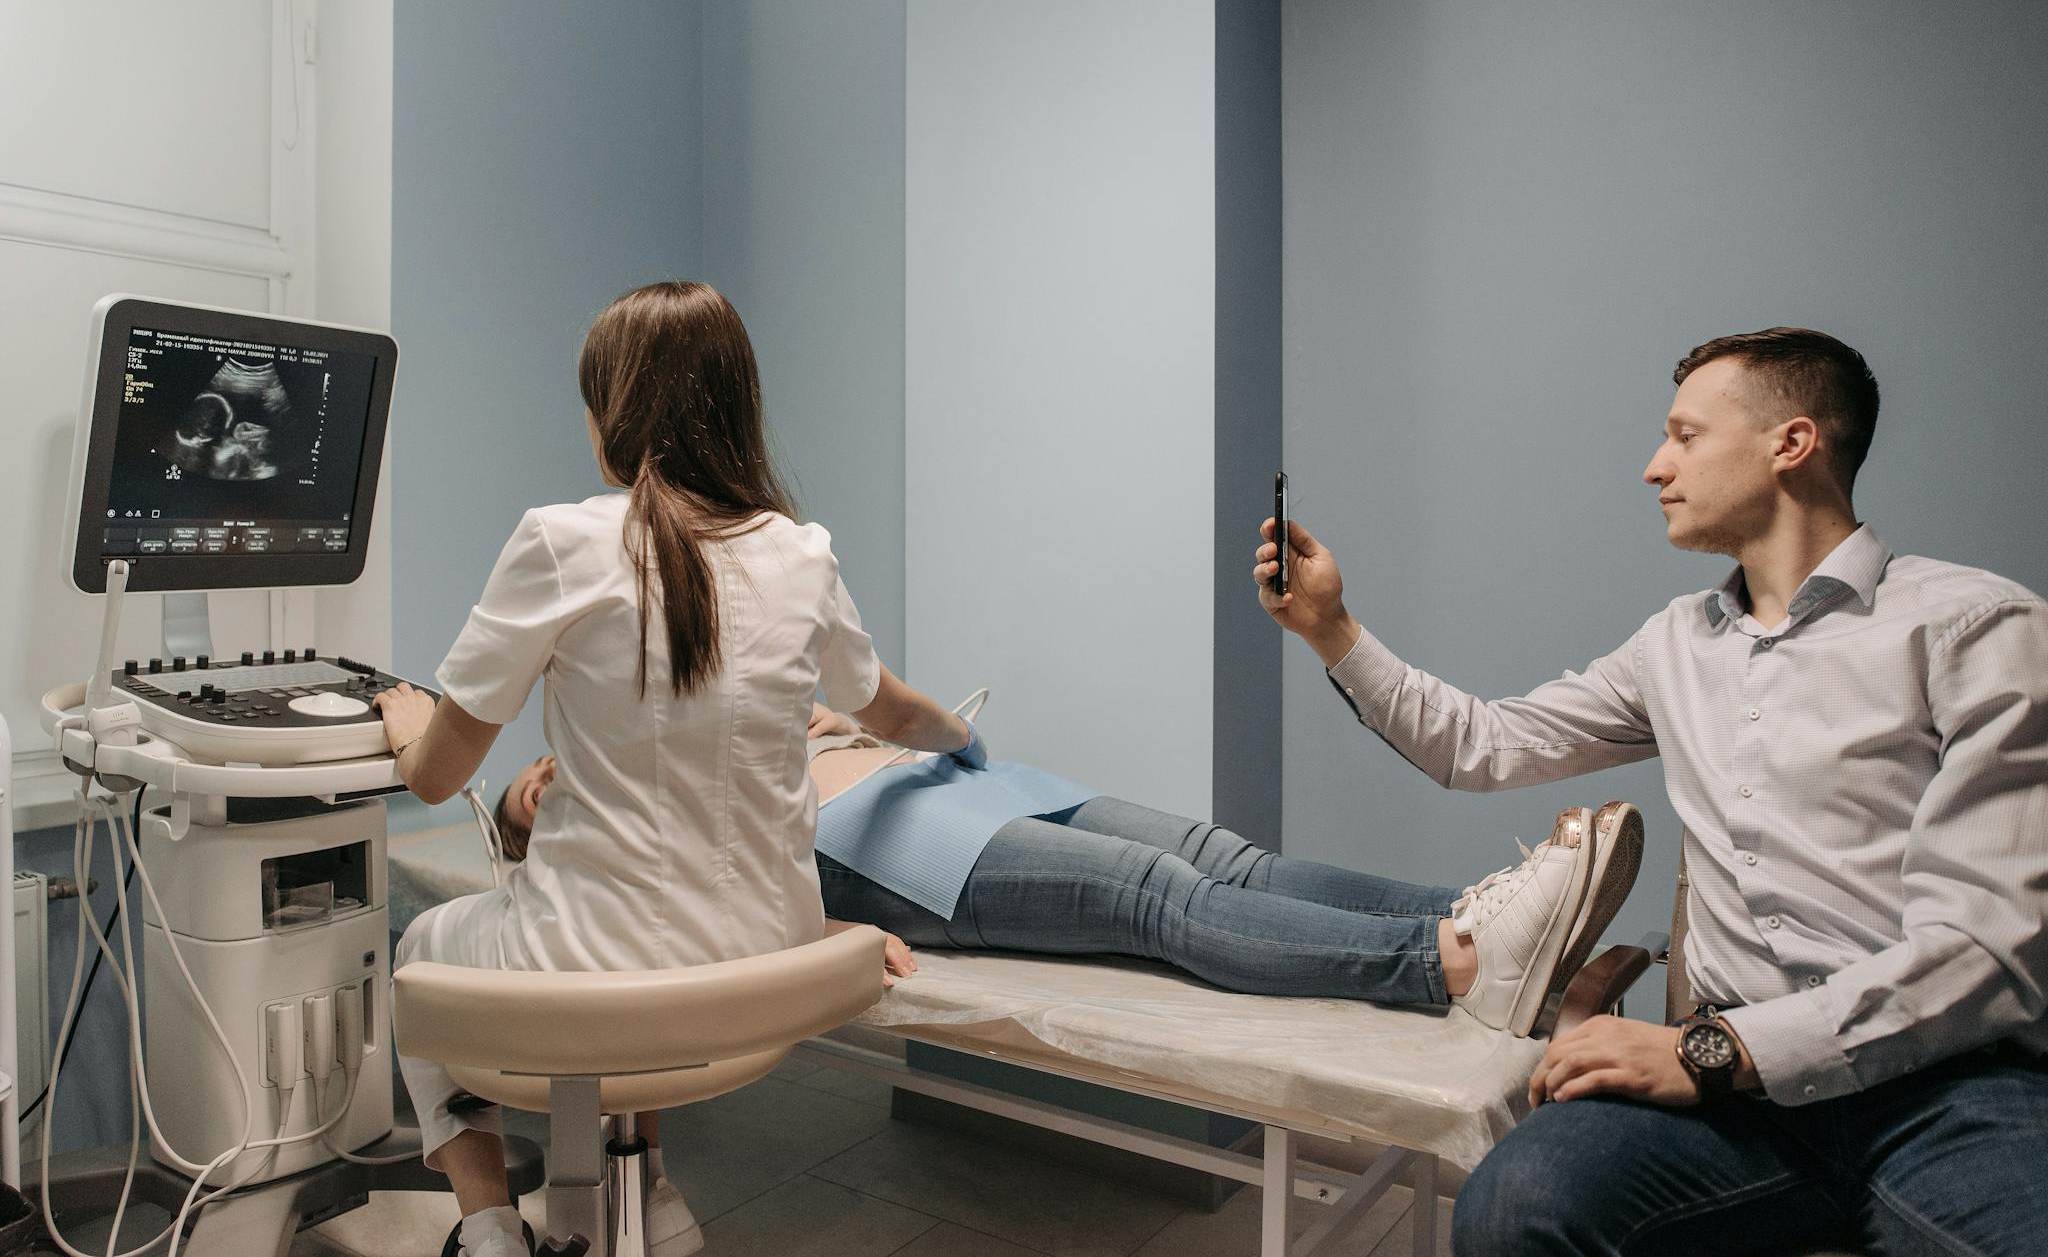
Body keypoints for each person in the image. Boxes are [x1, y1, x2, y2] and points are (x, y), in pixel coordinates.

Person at [1253, 329, 2048, 1255]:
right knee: (1516, 1207)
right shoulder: (1673, 644)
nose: (1653, 467)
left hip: (1945, 1092)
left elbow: (1981, 951)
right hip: (1733, 1108)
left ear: (1791, 444)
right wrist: (1331, 627)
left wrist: (1709, 1052)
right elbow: (1482, 744)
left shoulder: (1978, 628)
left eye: (1684, 435)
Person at [373, 282, 979, 1257]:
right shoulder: (801, 551)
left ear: (612, 410)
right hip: (764, 969)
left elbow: (437, 778)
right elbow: (897, 711)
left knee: (423, 946)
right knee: (631, 946)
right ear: (736, 408)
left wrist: (407, 722)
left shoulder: (561, 543)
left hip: (606, 966)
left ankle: (488, 1230)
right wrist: (963, 738)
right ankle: (645, 1189)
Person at [492, 699, 1646, 1035]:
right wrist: (825, 936)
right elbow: (690, 891)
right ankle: (1449, 962)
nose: (550, 776)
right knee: (1156, 900)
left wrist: (841, 717)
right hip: (884, 852)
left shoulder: (682, 692)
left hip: (961, 784)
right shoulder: (619, 810)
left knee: (1223, 853)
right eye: (536, 794)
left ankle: (1496, 924)